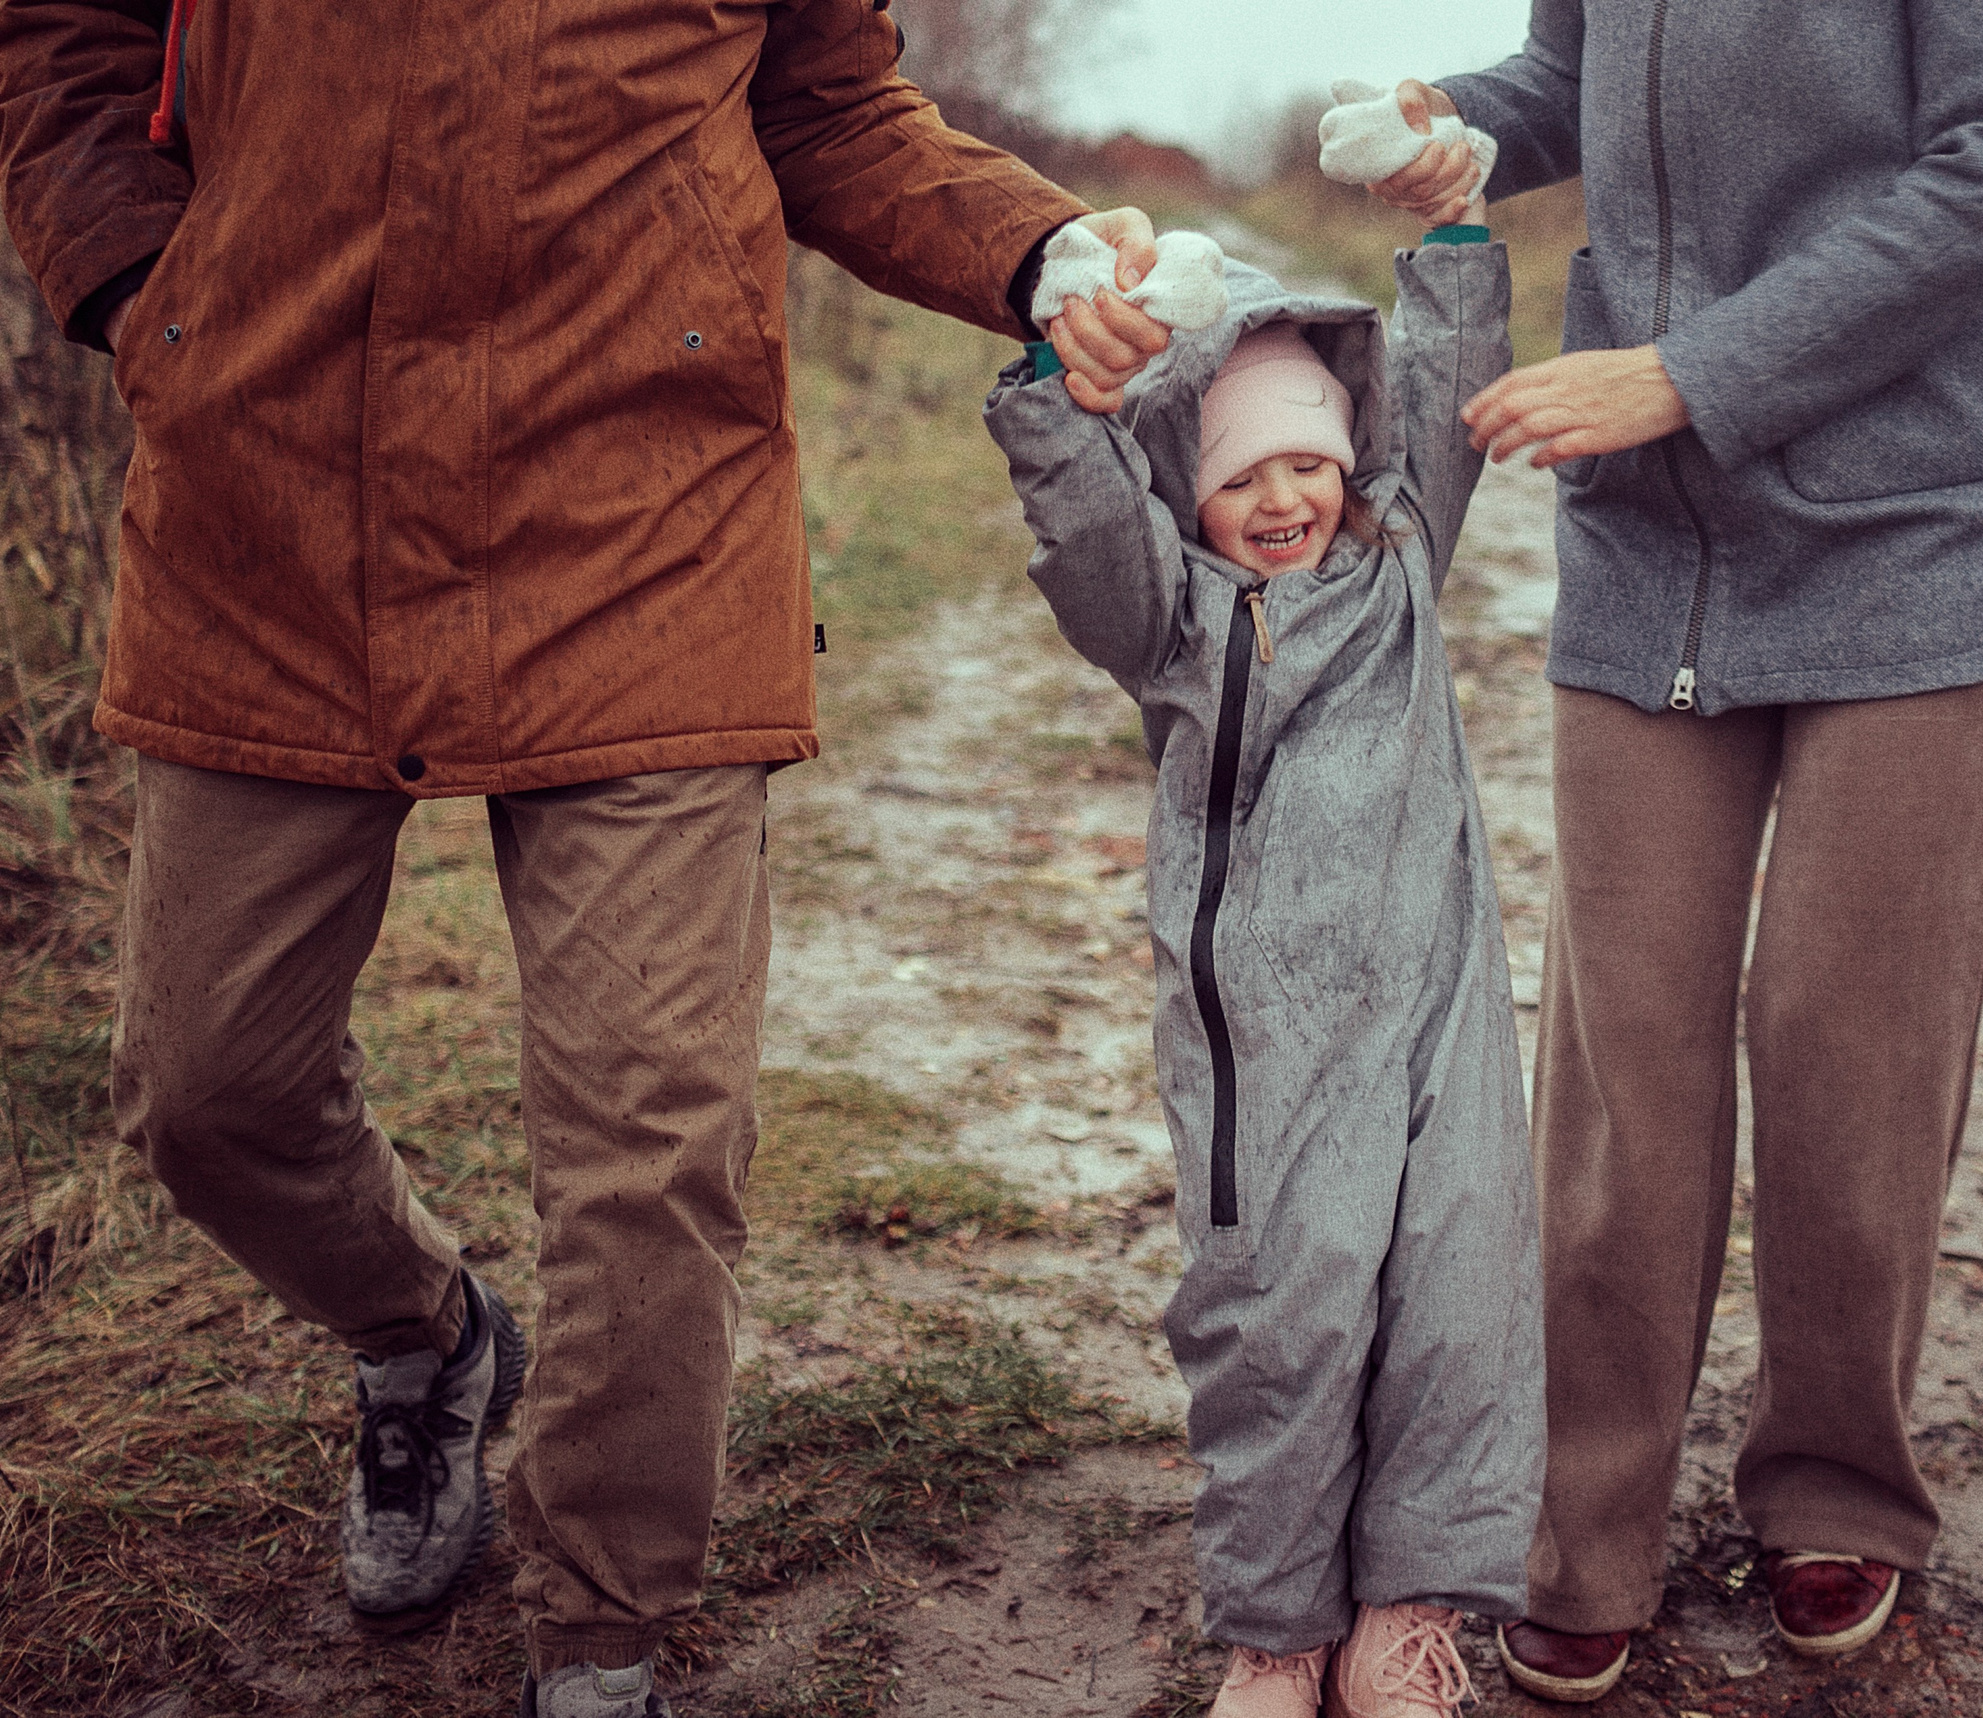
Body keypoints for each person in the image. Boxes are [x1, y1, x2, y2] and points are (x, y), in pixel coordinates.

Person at [0, 4, 1172, 1714]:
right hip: (267, 503)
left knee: (648, 1133)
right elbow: (64, 44)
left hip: (645, 510)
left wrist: (1039, 243)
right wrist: (139, 293)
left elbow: (831, 110)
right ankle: (427, 1339)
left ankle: (603, 1636)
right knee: (204, 1089)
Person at [1356, 0, 1983, 1696]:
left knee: (1852, 1031)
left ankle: (1838, 1485)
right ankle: (1584, 1525)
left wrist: (1689, 373)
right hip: (1654, 536)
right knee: (1623, 1047)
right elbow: (1570, 81)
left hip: (1927, 517)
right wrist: (1456, 118)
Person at [981, 201, 1541, 1718]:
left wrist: (1456, 228)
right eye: (1241, 473)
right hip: (1268, 1038)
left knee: (1460, 1293)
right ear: (1195, 489)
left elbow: (1441, 375)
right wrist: (1056, 390)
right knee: (1280, 1310)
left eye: (1308, 458)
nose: (1284, 493)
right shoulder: (1171, 616)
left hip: (1435, 1005)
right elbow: (1093, 525)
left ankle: (1406, 1615)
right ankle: (1279, 1627)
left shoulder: (1404, 553)